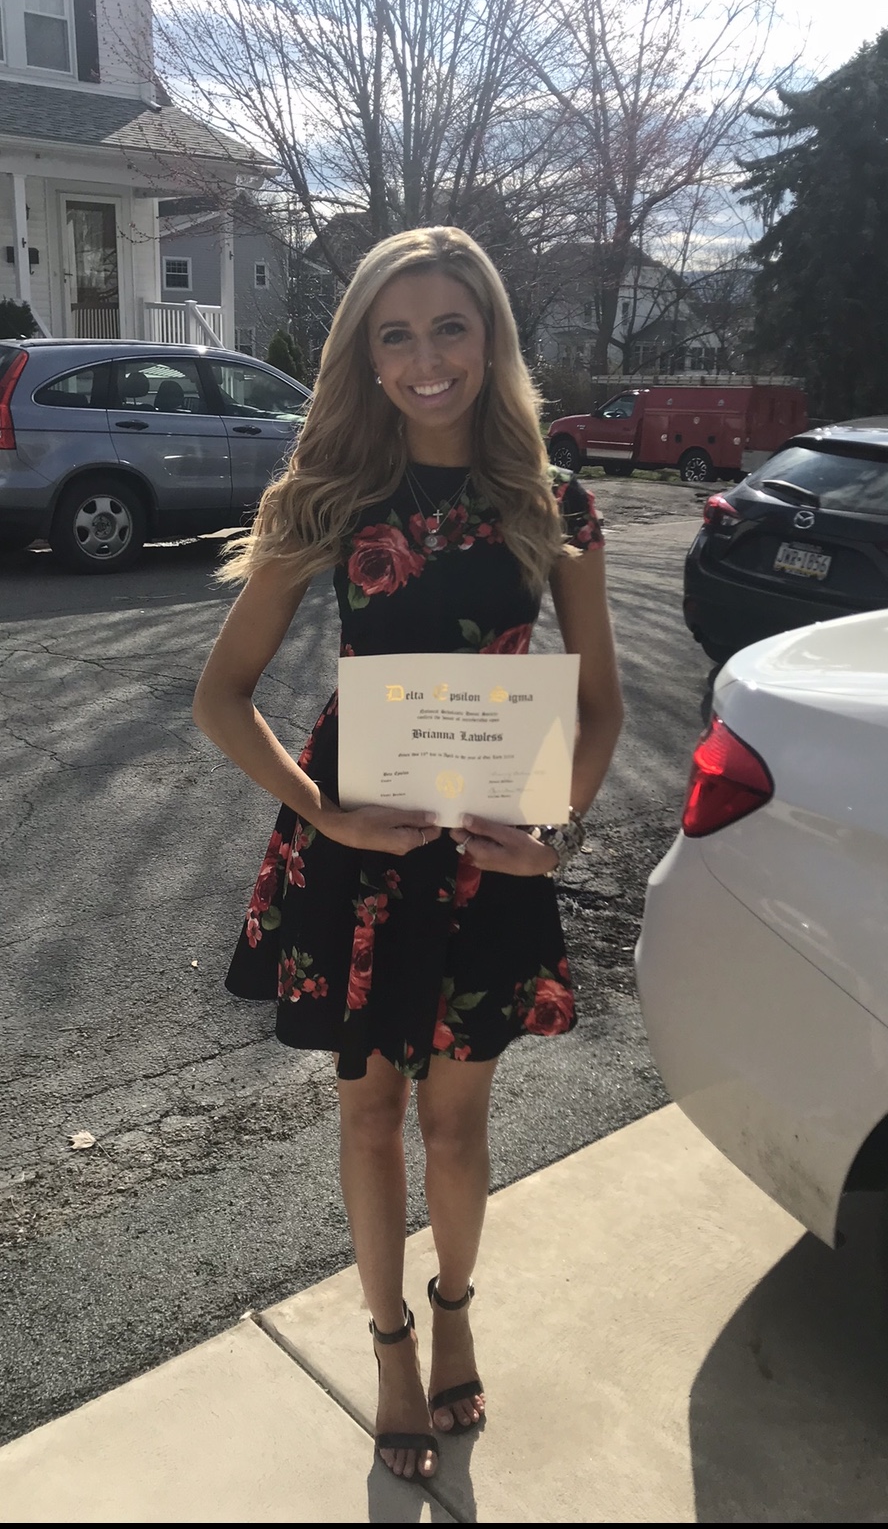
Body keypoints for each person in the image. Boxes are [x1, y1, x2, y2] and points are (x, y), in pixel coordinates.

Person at [192, 226, 623, 1483]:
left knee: (457, 1129)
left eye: (451, 327)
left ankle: (453, 1313)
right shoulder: (328, 494)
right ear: (364, 357)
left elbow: (598, 709)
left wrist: (559, 832)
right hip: (361, 848)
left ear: (489, 340)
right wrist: (317, 812)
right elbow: (225, 696)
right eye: (396, 333)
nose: (426, 358)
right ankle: (385, 1343)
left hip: (492, 850)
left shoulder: (556, 501)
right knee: (371, 1116)